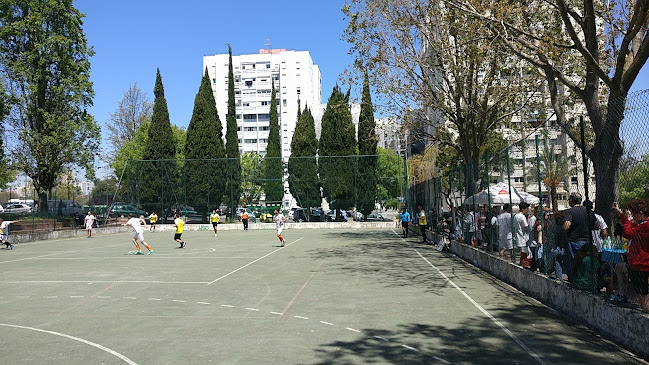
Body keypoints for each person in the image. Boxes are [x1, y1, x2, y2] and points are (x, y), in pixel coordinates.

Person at [613, 200, 649, 313]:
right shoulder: (643, 225)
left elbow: (628, 233)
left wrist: (627, 219)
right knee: (620, 267)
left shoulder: (646, 225)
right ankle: (622, 294)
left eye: (633, 213)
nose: (632, 216)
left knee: (644, 297)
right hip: (638, 263)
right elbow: (632, 227)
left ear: (640, 213)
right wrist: (622, 214)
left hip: (642, 264)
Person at [563, 192, 598, 283]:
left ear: (571, 200)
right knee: (586, 262)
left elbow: (566, 226)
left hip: (574, 240)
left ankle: (575, 281)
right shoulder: (588, 211)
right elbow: (596, 225)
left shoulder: (570, 211)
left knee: (574, 262)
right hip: (587, 240)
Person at [514, 202, 530, 267]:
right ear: (523, 209)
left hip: (518, 236)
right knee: (524, 254)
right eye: (527, 208)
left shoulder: (516, 216)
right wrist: (528, 219)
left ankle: (521, 264)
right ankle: (523, 265)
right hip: (523, 238)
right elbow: (526, 227)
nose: (527, 210)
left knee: (522, 253)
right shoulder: (522, 217)